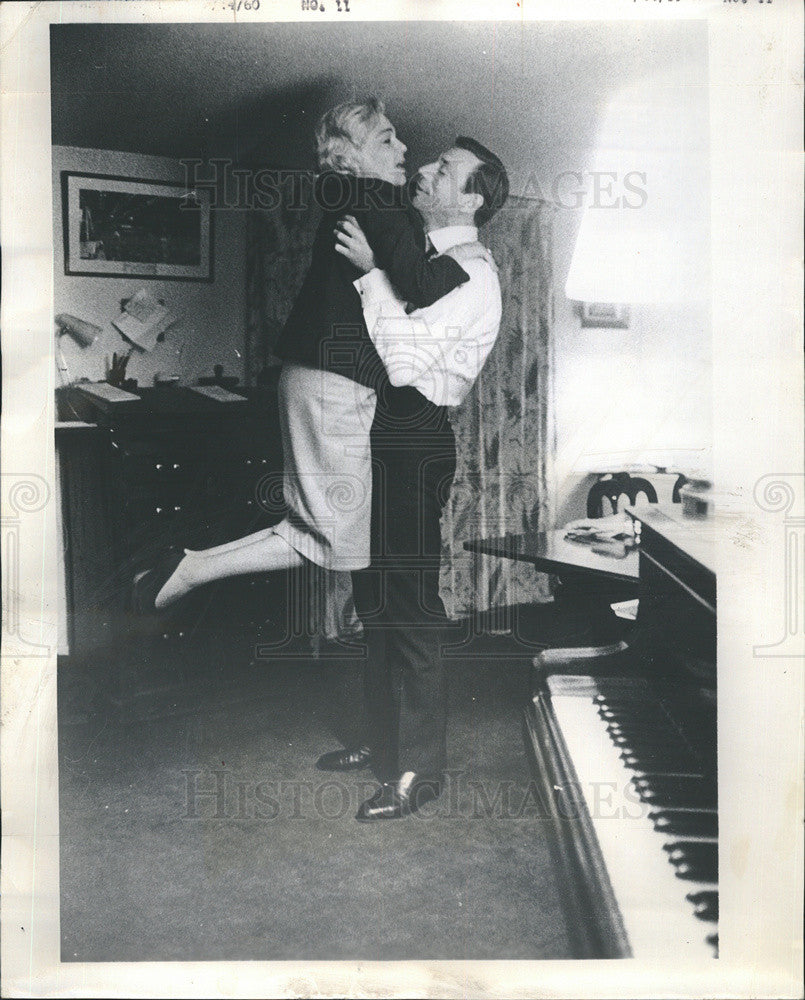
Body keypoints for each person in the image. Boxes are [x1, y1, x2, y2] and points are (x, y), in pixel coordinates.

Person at [133, 99, 484, 612]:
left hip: (318, 377)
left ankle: (186, 565)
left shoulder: (355, 199)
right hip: (332, 382)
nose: (404, 148)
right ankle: (190, 570)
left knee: (321, 531)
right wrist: (464, 259)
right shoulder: (380, 199)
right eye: (386, 139)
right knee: (335, 543)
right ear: (350, 158)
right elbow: (419, 283)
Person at [316, 137, 509, 821]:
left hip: (412, 434)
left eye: (445, 170)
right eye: (429, 164)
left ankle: (418, 771)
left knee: (408, 607)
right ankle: (380, 744)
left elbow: (402, 366)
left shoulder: (471, 273)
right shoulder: (419, 257)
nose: (425, 170)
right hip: (376, 430)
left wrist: (370, 275)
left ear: (473, 198)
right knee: (372, 598)